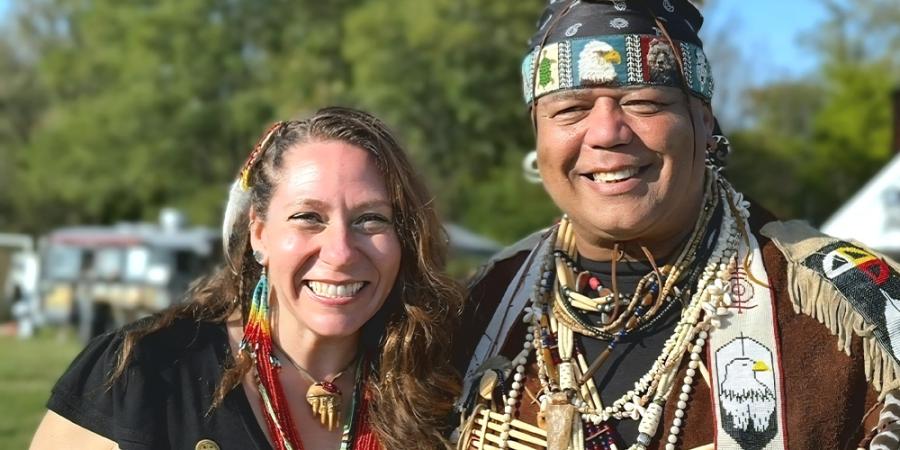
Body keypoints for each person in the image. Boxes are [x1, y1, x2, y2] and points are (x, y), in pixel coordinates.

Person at [452, 2, 900, 449]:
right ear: (538, 133)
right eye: (570, 110)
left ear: (703, 123)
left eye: (644, 103)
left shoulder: (846, 305)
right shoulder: (483, 304)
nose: (607, 132)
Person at [31, 106, 463, 450]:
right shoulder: (142, 371)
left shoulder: (443, 383)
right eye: (308, 218)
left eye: (371, 220)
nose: (341, 252)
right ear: (259, 233)